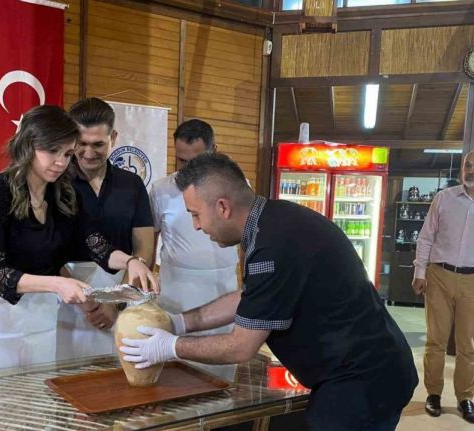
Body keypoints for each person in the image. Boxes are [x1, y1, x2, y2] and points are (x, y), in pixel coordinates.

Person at [120, 153, 418, 431]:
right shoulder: (272, 222)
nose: (196, 227)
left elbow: (241, 347)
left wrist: (171, 347)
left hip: (364, 377)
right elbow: (248, 297)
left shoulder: (273, 244)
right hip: (360, 369)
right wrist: (182, 322)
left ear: (223, 207)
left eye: (195, 215)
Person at [0, 105, 157, 429]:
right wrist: (57, 284)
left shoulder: (63, 196)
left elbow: (93, 243)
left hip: (35, 320)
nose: (61, 162)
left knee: (32, 410)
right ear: (28, 145)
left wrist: (131, 260)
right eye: (52, 151)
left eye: (67, 154)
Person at [412, 149, 474, 424]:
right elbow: (426, 236)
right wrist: (420, 270)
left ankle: (465, 397)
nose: (472, 170)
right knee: (436, 341)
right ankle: (433, 394)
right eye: (468, 165)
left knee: (468, 345)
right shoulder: (444, 198)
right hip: (439, 276)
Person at [57, 98, 155, 359]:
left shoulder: (131, 184)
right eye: (81, 143)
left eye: (98, 144)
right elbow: (44, 247)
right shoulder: (55, 181)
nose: (89, 152)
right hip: (65, 293)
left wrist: (116, 301)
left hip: (120, 288)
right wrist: (84, 302)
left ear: (113, 137)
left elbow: (144, 246)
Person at [149, 119, 239, 326]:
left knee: (223, 352)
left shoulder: (237, 185)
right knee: (173, 351)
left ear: (213, 150)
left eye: (197, 161)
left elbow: (247, 235)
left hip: (222, 286)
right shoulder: (161, 190)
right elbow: (150, 240)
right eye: (181, 160)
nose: (189, 169)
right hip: (176, 289)